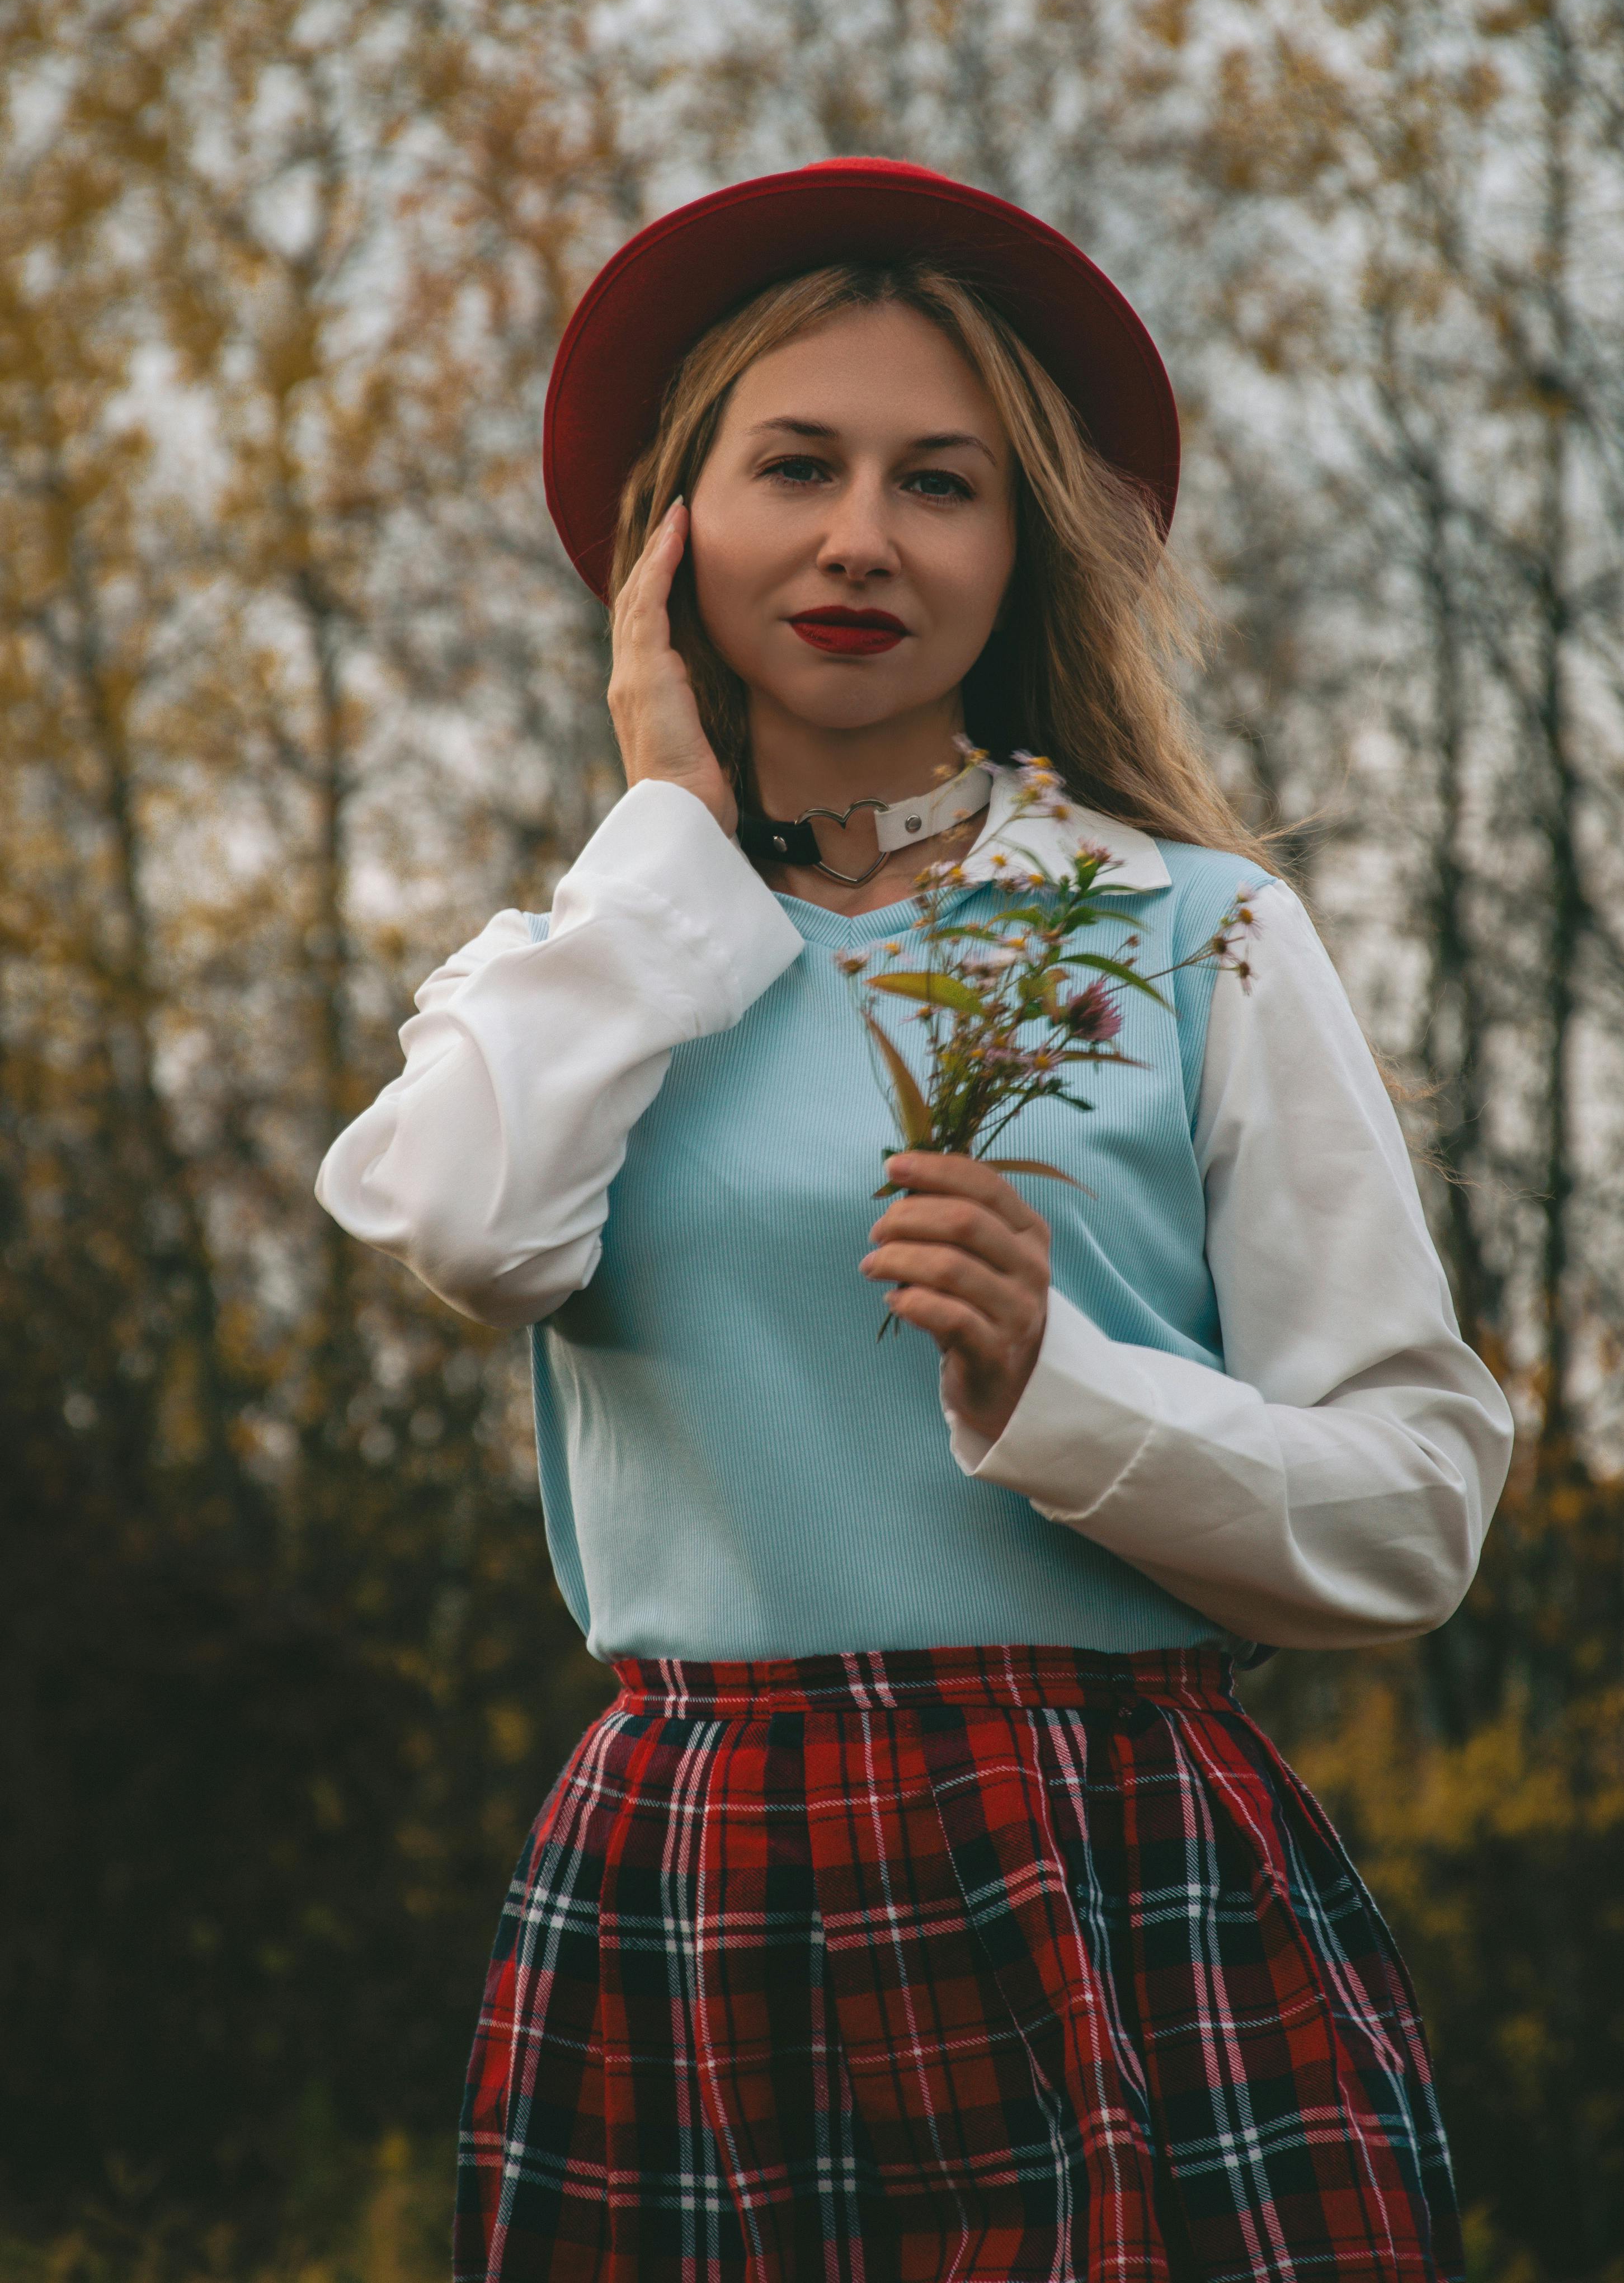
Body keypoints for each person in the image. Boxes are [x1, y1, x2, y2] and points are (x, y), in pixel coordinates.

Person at [317, 159, 1513, 2282]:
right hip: (699, 1884)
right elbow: (474, 1225)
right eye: (799, 464)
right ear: (670, 533)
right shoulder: (588, 967)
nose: (864, 535)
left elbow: (1412, 1511)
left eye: (940, 484)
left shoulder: (1183, 932)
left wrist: (1069, 1389)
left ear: (1019, 549)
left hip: (1113, 1862)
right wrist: (672, 832)